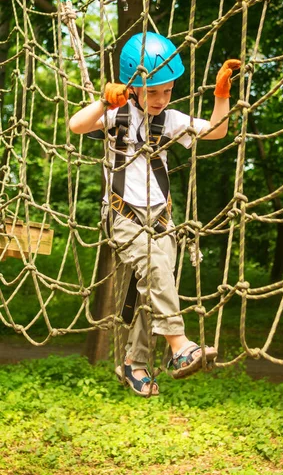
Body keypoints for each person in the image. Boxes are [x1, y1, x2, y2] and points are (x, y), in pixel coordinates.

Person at [69, 31, 240, 397]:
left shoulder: (172, 118)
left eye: (167, 90)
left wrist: (221, 96)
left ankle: (135, 363)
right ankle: (180, 348)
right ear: (132, 88)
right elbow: (76, 126)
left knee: (157, 288)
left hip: (161, 219)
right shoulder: (115, 114)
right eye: (152, 91)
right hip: (123, 216)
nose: (161, 99)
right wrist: (103, 101)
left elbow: (216, 131)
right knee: (156, 269)